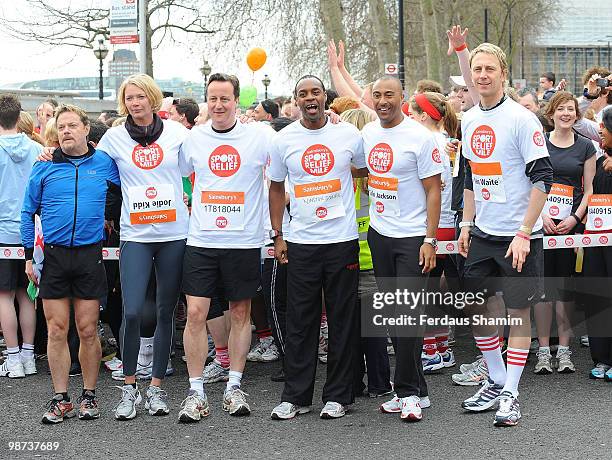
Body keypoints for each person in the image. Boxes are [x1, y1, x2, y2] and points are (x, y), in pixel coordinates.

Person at [458, 43, 552, 427]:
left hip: (519, 234)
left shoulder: (521, 119)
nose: (482, 75)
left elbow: (543, 178)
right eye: (477, 69)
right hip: (484, 232)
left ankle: (511, 392)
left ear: (503, 74)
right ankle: (496, 379)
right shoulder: (468, 119)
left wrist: (525, 232)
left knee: (517, 314)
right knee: (477, 307)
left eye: (489, 69)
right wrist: (466, 225)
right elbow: (470, 175)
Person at [269, 75, 367, 420]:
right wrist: (278, 234)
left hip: (341, 241)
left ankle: (339, 396)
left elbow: (367, 171)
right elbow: (277, 188)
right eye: (302, 94)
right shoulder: (284, 140)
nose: (309, 98)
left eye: (315, 92)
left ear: (325, 97)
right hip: (301, 242)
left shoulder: (348, 135)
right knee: (300, 322)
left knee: (342, 320)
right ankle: (296, 397)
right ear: (296, 101)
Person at [94, 74, 190, 420]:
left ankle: (156, 390)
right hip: (135, 234)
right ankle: (130, 388)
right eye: (129, 98)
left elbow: (204, 162)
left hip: (173, 233)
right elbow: (89, 163)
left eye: (139, 97)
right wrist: (51, 153)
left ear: (152, 98)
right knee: (132, 310)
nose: (135, 103)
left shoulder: (178, 133)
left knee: (165, 311)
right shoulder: (114, 137)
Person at [178, 73, 272, 422]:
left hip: (243, 241)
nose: (218, 105)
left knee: (240, 314)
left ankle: (234, 384)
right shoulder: (194, 139)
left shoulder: (258, 137)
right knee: (197, 314)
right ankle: (196, 390)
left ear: (237, 101)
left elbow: (286, 162)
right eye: (212, 99)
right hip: (202, 239)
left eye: (225, 99)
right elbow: (172, 172)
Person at [21, 104, 120, 423]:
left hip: (90, 255)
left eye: (71, 126)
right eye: (60, 127)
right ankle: (60, 397)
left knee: (88, 330)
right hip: (55, 256)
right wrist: (27, 256)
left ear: (85, 130)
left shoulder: (104, 162)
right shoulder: (44, 165)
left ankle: (89, 396)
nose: (65, 131)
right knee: (56, 329)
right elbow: (27, 212)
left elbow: (124, 192)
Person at [361, 77, 442, 422]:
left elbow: (434, 191)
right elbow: (360, 171)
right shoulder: (367, 134)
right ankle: (418, 390)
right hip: (379, 235)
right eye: (377, 95)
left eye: (389, 95)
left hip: (413, 238)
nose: (382, 101)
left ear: (402, 99)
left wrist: (429, 239)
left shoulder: (420, 138)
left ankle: (405, 392)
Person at [534, 92, 596, 375]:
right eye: (561, 109)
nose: (566, 114)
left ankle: (566, 350)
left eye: (571, 109)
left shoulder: (586, 147)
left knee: (565, 288)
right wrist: (541, 215)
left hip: (571, 226)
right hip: (542, 223)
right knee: (544, 289)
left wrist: (574, 218)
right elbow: (531, 184)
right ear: (551, 113)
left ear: (577, 114)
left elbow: (590, 190)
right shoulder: (540, 143)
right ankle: (544, 351)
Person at [409, 91, 460, 374]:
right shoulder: (449, 141)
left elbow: (430, 187)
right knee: (436, 292)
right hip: (447, 222)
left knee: (425, 292)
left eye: (412, 114)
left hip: (431, 225)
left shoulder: (427, 141)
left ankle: (430, 350)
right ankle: (441, 348)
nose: (409, 120)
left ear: (424, 116)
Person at [0, 95, 42, 380]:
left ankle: (13, 357)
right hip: (31, 232)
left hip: (2, 232)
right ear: (19, 116)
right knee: (28, 295)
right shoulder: (38, 149)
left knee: (4, 296)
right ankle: (28, 354)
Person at [583, 105, 612, 381]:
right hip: (596, 237)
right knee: (597, 295)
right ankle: (601, 357)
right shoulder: (599, 155)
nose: (599, 129)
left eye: (604, 125)